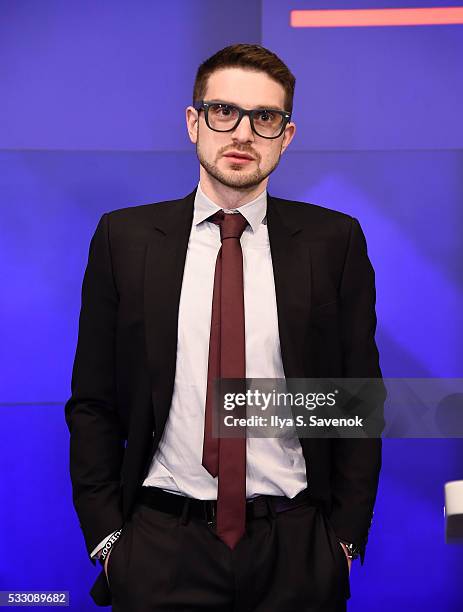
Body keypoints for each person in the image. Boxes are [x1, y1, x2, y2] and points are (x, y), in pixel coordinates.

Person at [65, 43, 385, 611]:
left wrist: (341, 540)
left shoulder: (334, 242)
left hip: (295, 547)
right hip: (160, 547)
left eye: (265, 118)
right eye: (224, 112)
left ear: (286, 136)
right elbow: (93, 401)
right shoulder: (124, 239)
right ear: (194, 122)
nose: (242, 133)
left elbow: (355, 401)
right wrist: (111, 542)